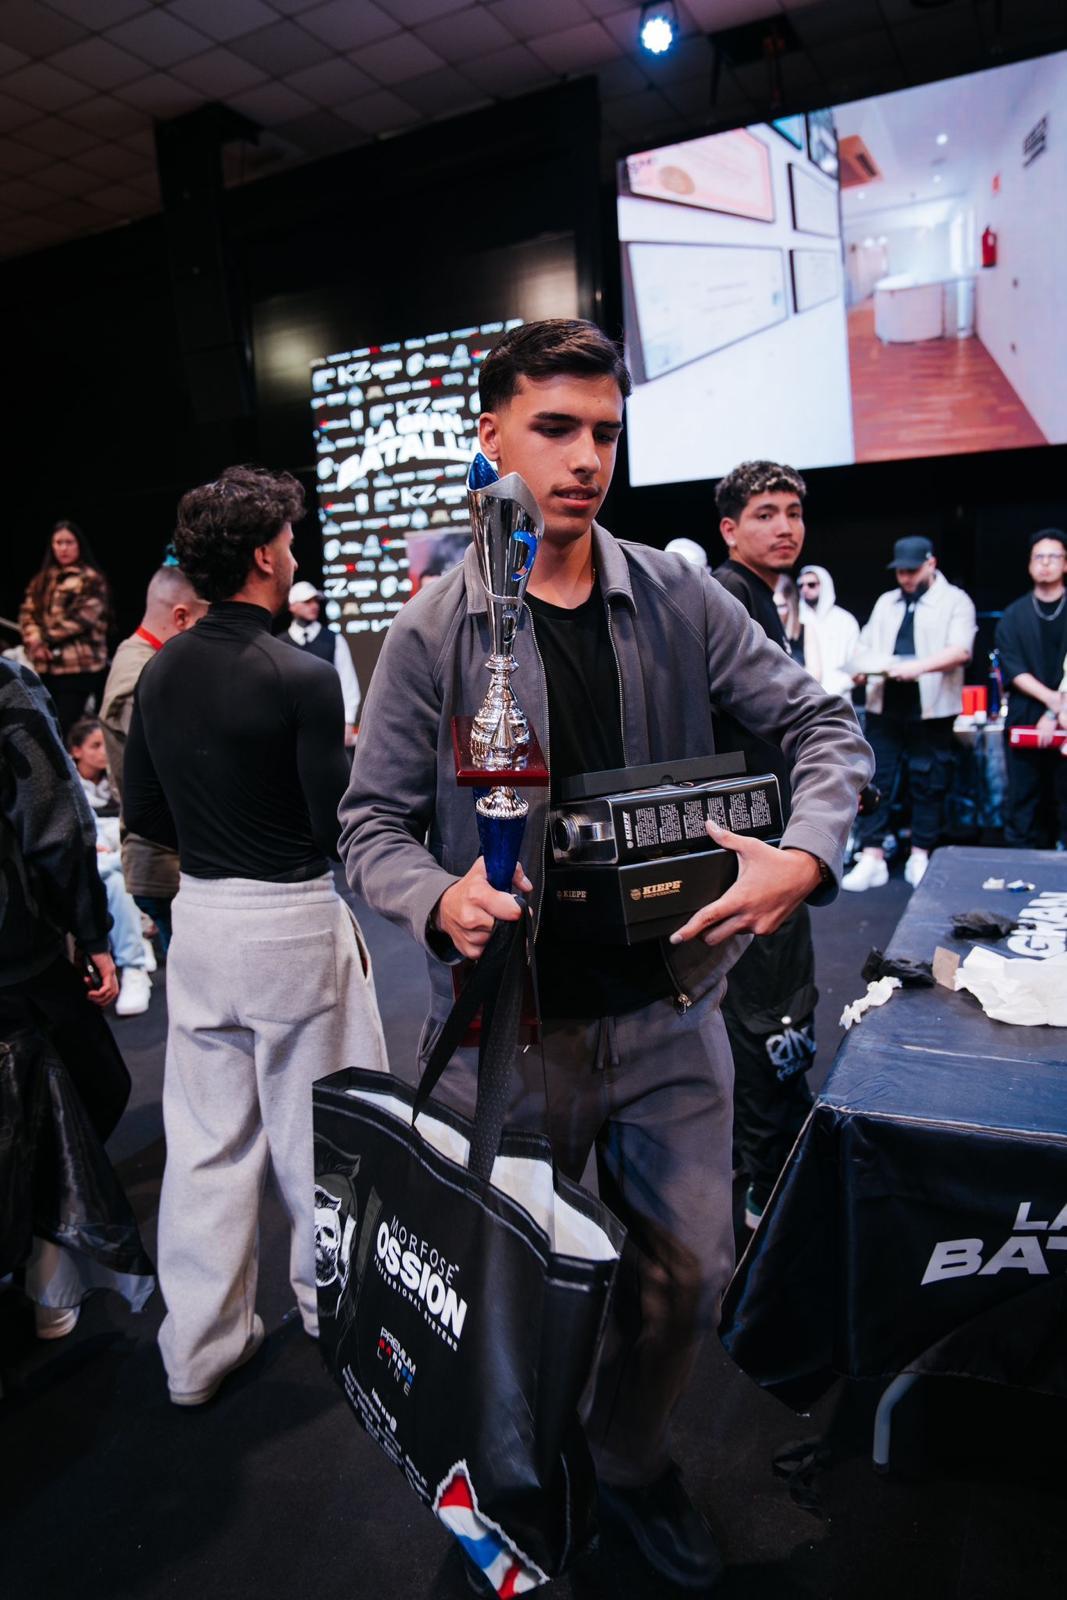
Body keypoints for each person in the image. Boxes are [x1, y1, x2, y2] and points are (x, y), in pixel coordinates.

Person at [340, 322, 872, 1590]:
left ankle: (629, 1461)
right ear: (491, 437)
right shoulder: (433, 629)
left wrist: (804, 853)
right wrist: (434, 897)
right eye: (555, 429)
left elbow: (816, 719)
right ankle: (525, 1477)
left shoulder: (677, 593)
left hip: (667, 1012)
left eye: (606, 433)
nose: (586, 459)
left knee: (687, 1272)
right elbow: (367, 825)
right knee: (515, 1295)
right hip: (506, 1036)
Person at [123, 464, 388, 1409]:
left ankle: (195, 1353)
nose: (295, 551)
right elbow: (332, 827)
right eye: (289, 538)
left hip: (198, 921)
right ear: (266, 554)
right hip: (289, 919)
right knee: (324, 1135)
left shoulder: (157, 670)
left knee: (204, 1146)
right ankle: (334, 1312)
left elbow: (145, 814)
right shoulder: (304, 677)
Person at [712, 463, 825, 1234]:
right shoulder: (727, 600)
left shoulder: (759, 599)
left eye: (791, 512)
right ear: (729, 529)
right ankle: (767, 1183)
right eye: (763, 514)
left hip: (769, 834)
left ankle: (762, 1157)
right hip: (749, 847)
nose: (782, 527)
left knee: (766, 1013)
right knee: (768, 1015)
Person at [0, 658, 127, 1337]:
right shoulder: (5, 686)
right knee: (92, 1088)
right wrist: (91, 931)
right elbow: (55, 824)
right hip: (21, 961)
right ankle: (48, 1269)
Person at [844, 536, 976, 891]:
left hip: (931, 706)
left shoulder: (954, 601)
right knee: (876, 778)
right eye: (900, 571)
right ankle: (872, 855)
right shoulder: (887, 602)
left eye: (912, 570)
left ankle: (921, 852)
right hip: (886, 704)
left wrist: (917, 667)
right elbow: (867, 644)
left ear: (931, 564)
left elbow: (961, 649)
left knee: (929, 780)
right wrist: (860, 667)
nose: (905, 577)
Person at [100, 565, 208, 951]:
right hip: (166, 865)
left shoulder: (144, 663)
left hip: (175, 861)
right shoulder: (141, 675)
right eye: (203, 623)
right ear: (180, 617)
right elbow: (173, 774)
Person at [66, 717, 152, 1018]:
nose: (103, 752)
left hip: (114, 852)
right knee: (113, 876)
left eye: (105, 744)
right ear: (75, 751)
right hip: (98, 857)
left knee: (113, 874)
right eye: (94, 746)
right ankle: (134, 959)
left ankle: (134, 964)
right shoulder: (68, 785)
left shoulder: (118, 779)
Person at [995, 530, 1067, 849]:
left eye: (1053, 557)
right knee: (1022, 799)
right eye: (1039, 557)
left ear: (1065, 564)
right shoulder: (1013, 615)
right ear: (1029, 565)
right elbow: (1012, 667)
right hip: (1026, 714)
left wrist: (1058, 710)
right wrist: (1054, 703)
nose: (1046, 563)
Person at [18, 520, 112, 736]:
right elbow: (27, 613)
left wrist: (44, 638)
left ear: (78, 544)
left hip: (79, 669)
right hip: (46, 665)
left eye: (69, 542)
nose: (63, 548)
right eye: (58, 542)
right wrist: (34, 640)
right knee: (48, 726)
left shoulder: (91, 579)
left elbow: (81, 619)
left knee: (70, 729)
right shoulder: (41, 580)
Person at [283, 580, 361, 746]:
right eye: (307, 602)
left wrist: (348, 721)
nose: (314, 606)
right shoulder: (280, 643)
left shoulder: (333, 640)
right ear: (292, 606)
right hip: (290, 731)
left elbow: (348, 683)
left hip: (328, 727)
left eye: (316, 601)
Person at [797, 564, 860, 697]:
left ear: (824, 585)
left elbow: (854, 664)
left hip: (839, 697)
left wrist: (838, 687)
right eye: (801, 585)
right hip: (804, 699)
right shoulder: (796, 620)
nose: (805, 589)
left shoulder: (845, 620)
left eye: (811, 584)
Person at [775, 574, 823, 682]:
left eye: (781, 606)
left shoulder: (805, 630)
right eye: (773, 606)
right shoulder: (763, 629)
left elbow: (816, 675)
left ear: (790, 605)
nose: (777, 613)